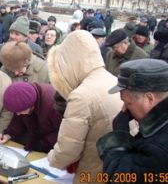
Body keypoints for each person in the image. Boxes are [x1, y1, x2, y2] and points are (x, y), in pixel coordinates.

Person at [46, 30, 123, 184]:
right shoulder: (114, 80)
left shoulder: (81, 95)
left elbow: (68, 149)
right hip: (116, 168)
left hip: (93, 172)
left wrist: (51, 158)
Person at [97, 58, 168, 184]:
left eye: (127, 102)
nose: (124, 108)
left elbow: (118, 177)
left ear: (149, 99)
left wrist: (119, 137)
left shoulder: (157, 149)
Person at [0, 82, 62, 153]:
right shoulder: (23, 99)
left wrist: (44, 143)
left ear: (31, 105)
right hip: (36, 138)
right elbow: (18, 120)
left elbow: (63, 131)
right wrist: (9, 134)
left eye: (20, 111)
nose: (18, 114)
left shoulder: (53, 105)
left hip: (54, 145)